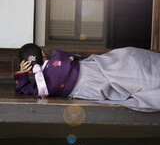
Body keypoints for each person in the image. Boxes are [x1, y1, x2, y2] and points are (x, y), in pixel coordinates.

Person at [14, 43, 160, 112]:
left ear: (29, 68)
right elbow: (78, 57)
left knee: (124, 89)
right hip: (95, 69)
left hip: (90, 90)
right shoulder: (57, 55)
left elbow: (24, 89)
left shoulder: (44, 87)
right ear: (43, 53)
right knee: (127, 58)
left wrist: (23, 74)